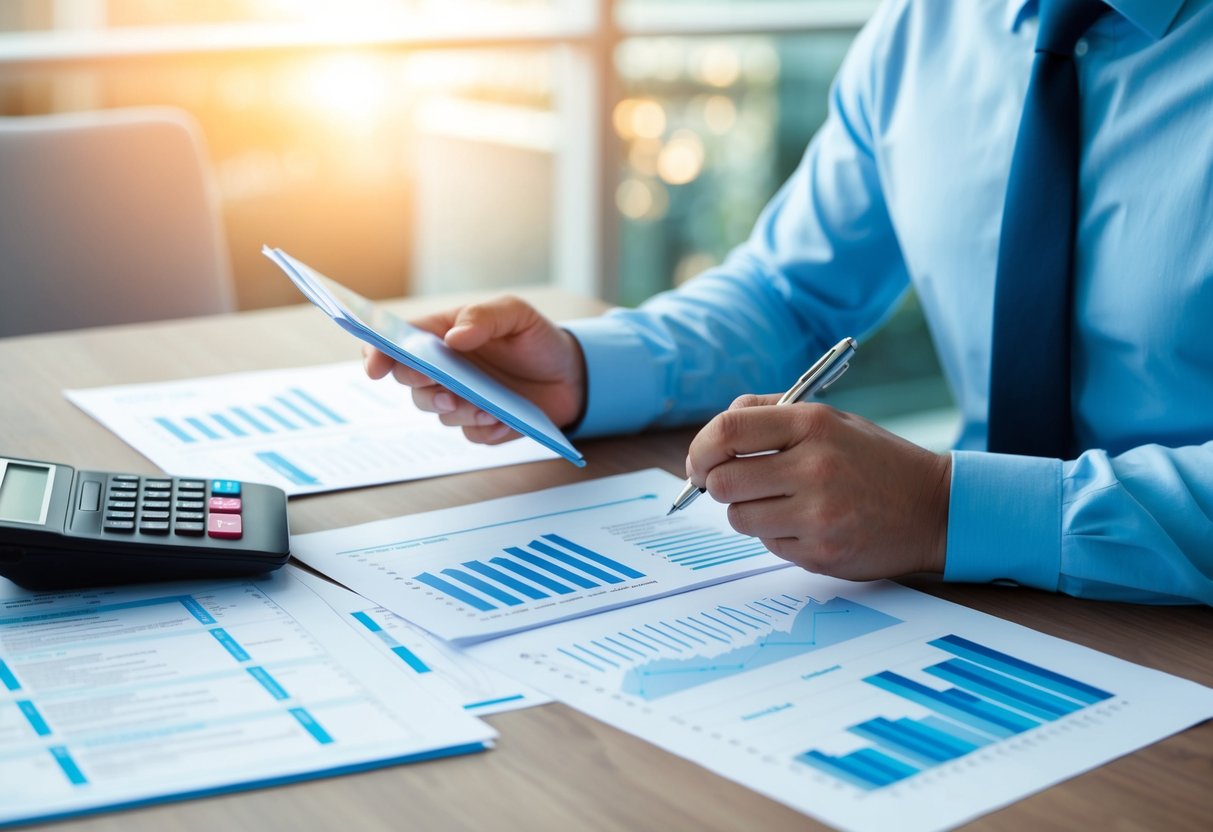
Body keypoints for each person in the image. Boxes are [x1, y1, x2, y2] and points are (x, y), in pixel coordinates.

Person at [366, 0, 1213, 605]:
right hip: (967, 606)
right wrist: (587, 372)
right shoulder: (925, 28)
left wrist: (944, 509)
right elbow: (789, 293)